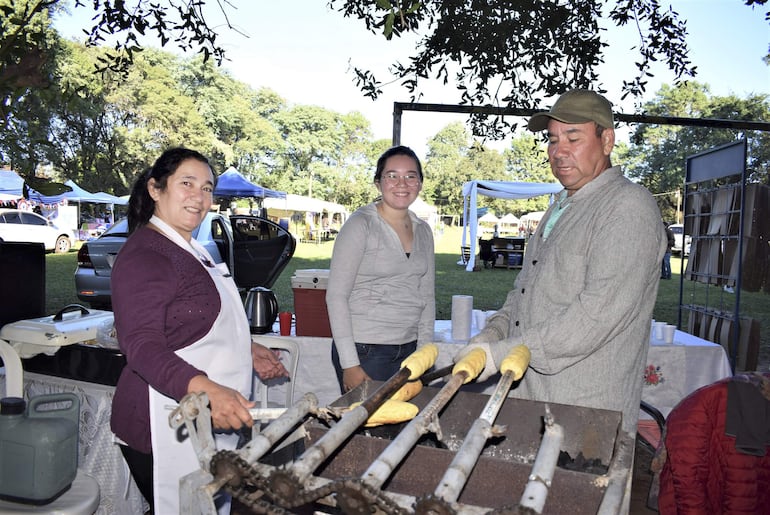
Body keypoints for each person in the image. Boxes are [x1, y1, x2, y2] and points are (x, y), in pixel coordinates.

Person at [458, 89, 666, 437]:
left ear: (607, 140)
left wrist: (502, 352)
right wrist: (492, 333)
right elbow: (524, 289)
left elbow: (595, 315)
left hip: (586, 410)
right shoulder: (560, 205)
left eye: (573, 137)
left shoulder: (627, 207)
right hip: (531, 396)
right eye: (553, 140)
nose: (559, 151)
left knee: (571, 493)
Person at [110, 147, 288, 514]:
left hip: (200, 423)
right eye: (187, 183)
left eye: (207, 188)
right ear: (155, 189)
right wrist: (208, 392)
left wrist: (246, 347)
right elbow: (141, 346)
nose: (200, 197)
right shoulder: (146, 254)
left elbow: (193, 319)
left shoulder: (192, 247)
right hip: (159, 423)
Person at [326, 145, 435, 393]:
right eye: (392, 175)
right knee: (369, 429)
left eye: (410, 176)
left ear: (419, 183)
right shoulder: (361, 224)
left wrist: (425, 353)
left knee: (404, 427)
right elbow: (336, 296)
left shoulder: (424, 231)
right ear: (378, 183)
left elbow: (427, 296)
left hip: (410, 350)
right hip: (365, 351)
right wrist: (350, 363)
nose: (402, 183)